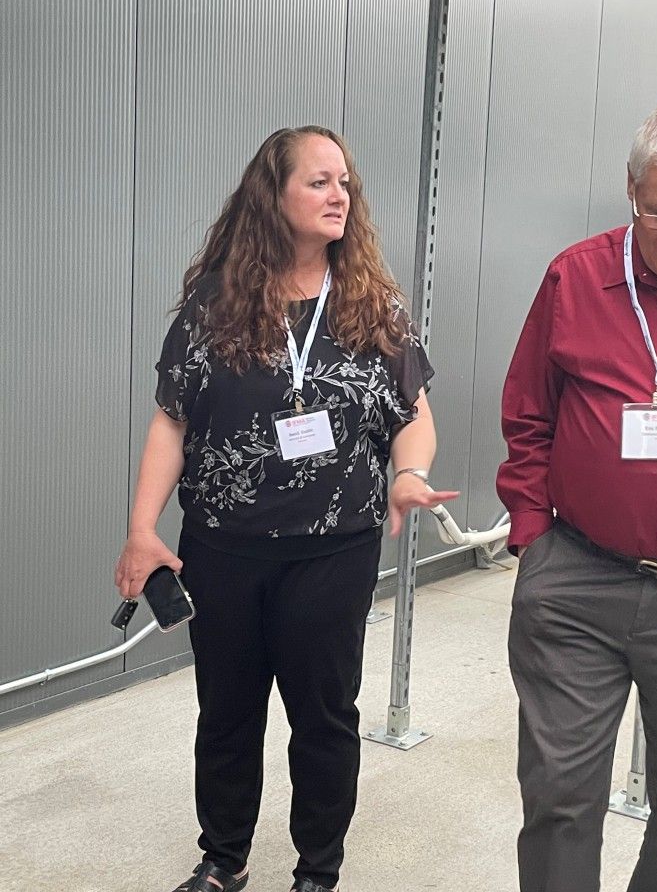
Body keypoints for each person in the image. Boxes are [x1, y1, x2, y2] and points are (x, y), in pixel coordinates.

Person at [115, 125, 458, 892]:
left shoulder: (372, 305)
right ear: (273, 195)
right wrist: (142, 529)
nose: (340, 195)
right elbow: (173, 420)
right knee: (227, 715)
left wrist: (409, 473)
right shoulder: (215, 303)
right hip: (223, 547)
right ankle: (223, 860)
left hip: (333, 549)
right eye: (319, 181)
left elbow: (413, 412)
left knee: (324, 717)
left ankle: (317, 871)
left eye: (346, 184)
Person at [497, 99, 657, 892]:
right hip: (577, 580)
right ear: (631, 189)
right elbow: (528, 410)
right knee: (560, 798)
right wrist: (533, 533)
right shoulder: (578, 275)